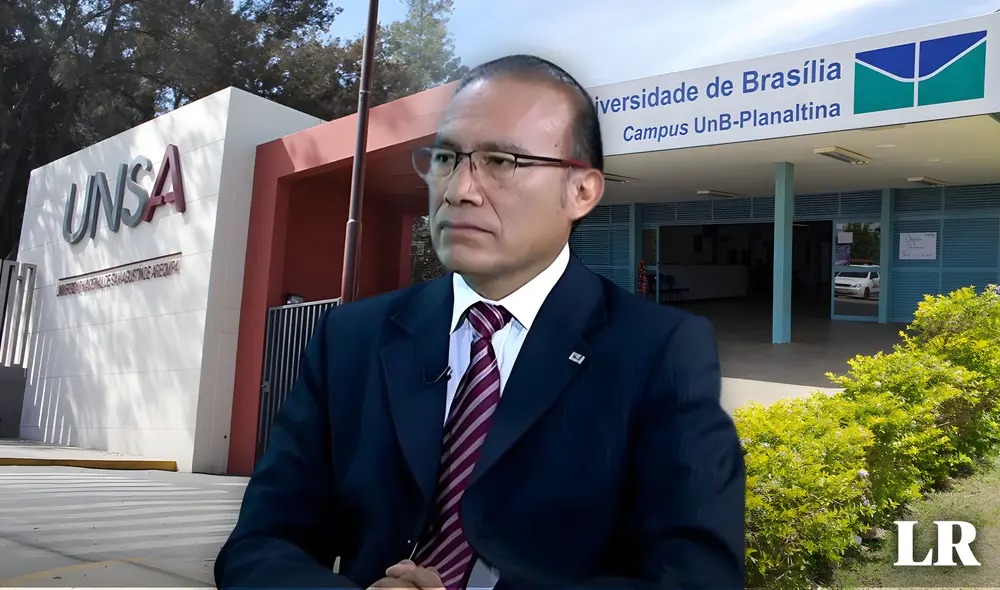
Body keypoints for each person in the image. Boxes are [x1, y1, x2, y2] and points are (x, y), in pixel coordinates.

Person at [215, 54, 745, 590]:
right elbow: (259, 545)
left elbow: (697, 576)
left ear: (581, 191)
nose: (458, 190)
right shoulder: (350, 338)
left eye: (501, 161)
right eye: (446, 157)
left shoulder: (661, 349)